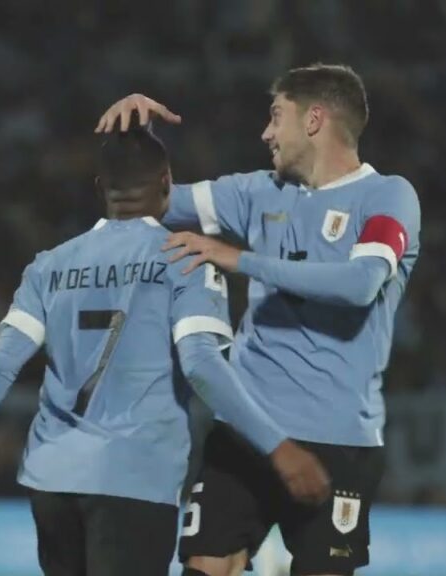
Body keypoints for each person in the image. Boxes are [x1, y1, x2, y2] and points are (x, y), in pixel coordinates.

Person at [0, 125, 330, 576]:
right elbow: (201, 364)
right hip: (134, 477)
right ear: (168, 182)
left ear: (100, 188)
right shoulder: (186, 260)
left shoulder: (50, 264)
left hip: (52, 480)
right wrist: (278, 447)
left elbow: (2, 363)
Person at [96, 63, 421, 576]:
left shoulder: (387, 196)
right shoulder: (256, 193)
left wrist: (238, 259)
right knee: (204, 567)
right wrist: (131, 141)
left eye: (276, 117)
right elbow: (143, 200)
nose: (265, 132)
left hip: (340, 441)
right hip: (247, 428)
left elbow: (360, 284)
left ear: (314, 120)